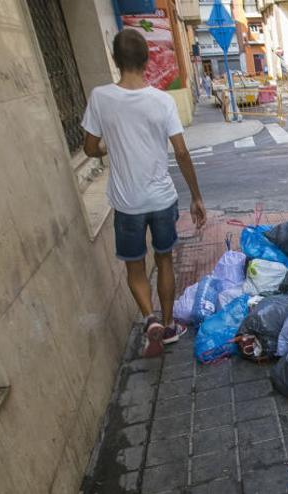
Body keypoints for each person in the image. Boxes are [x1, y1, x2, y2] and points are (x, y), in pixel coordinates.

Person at [82, 29, 206, 358]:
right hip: (162, 199)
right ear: (147, 60)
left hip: (127, 204)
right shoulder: (162, 100)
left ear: (115, 60)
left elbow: (89, 147)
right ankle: (167, 327)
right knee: (164, 260)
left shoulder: (100, 97)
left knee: (135, 268)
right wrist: (196, 195)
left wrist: (110, 147)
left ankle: (149, 318)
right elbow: (180, 152)